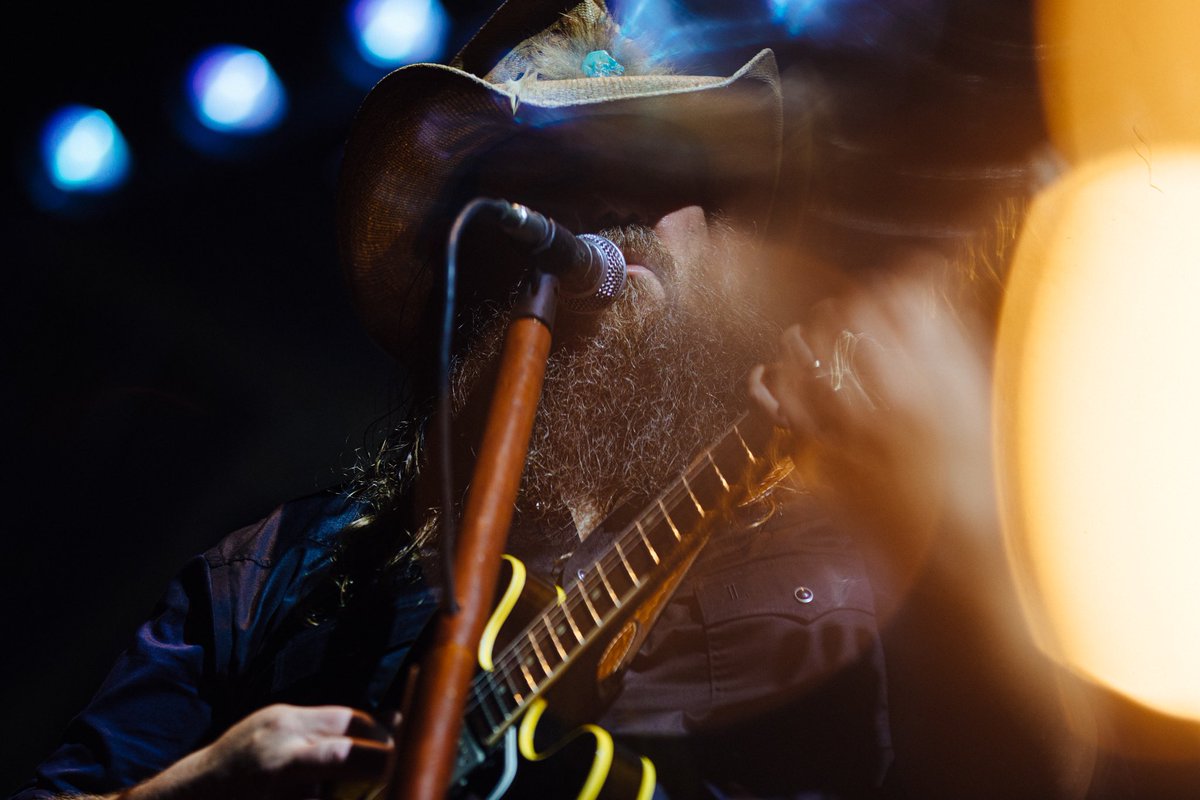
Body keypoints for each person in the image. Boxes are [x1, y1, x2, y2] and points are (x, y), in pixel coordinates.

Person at [12, 2, 892, 799]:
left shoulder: (804, 558)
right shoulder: (277, 572)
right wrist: (208, 786)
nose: (619, 215)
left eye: (665, 170)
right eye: (565, 184)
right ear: (488, 253)